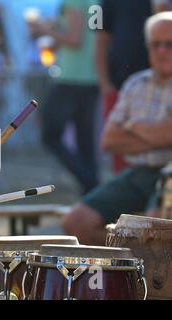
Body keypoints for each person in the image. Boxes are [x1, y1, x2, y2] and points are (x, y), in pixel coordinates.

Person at [63, 12, 172, 245]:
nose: (162, 50)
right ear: (147, 47)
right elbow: (109, 140)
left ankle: (146, 260)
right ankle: (140, 261)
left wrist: (132, 127)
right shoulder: (135, 84)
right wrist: (159, 134)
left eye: (169, 44)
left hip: (170, 174)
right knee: (75, 223)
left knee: (156, 228)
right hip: (138, 172)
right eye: (156, 44)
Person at [29, 0, 100, 194]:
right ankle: (92, 194)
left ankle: (90, 183)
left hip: (72, 77)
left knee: (49, 134)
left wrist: (45, 29)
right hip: (92, 76)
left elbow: (75, 40)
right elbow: (88, 36)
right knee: (86, 143)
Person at [95, 0, 152, 173]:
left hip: (160, 88)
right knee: (118, 148)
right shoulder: (101, 4)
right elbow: (99, 39)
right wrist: (105, 85)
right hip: (118, 87)